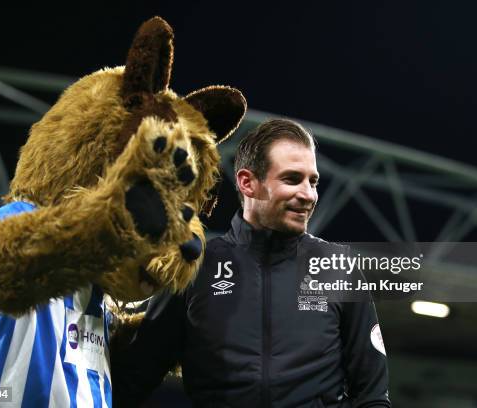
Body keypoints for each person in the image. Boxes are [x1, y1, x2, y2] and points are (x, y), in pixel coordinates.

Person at [111, 119, 391, 407]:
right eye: (292, 179)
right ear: (248, 183)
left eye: (313, 181)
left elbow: (373, 397)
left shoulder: (339, 268)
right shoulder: (195, 266)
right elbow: (133, 379)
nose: (308, 194)